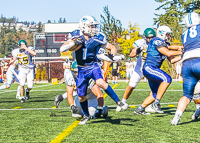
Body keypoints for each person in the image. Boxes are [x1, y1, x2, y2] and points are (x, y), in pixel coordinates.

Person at [60, 15, 128, 125]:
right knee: (81, 96)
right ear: (84, 27)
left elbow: (109, 50)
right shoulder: (76, 35)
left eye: (94, 26)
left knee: (100, 82)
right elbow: (62, 48)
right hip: (81, 69)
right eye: (92, 26)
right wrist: (74, 43)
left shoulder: (98, 37)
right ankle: (86, 115)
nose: (94, 29)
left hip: (93, 65)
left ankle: (118, 101)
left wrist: (115, 57)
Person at [134, 25, 182, 114]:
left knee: (154, 94)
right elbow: (168, 52)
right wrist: (182, 51)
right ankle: (156, 104)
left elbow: (172, 60)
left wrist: (183, 54)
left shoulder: (164, 44)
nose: (169, 36)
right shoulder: (156, 40)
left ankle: (139, 109)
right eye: (167, 34)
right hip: (150, 68)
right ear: (162, 34)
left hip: (152, 69)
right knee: (167, 79)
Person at [116, 28, 156, 112]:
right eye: (148, 37)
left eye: (152, 37)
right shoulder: (141, 43)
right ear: (145, 37)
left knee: (155, 88)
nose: (150, 39)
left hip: (151, 68)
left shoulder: (157, 42)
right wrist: (139, 49)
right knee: (131, 86)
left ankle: (149, 106)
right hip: (140, 68)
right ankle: (123, 102)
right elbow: (131, 55)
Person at [171, 12, 200, 125]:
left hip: (186, 63)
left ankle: (176, 118)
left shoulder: (184, 34)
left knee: (187, 95)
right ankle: (198, 110)